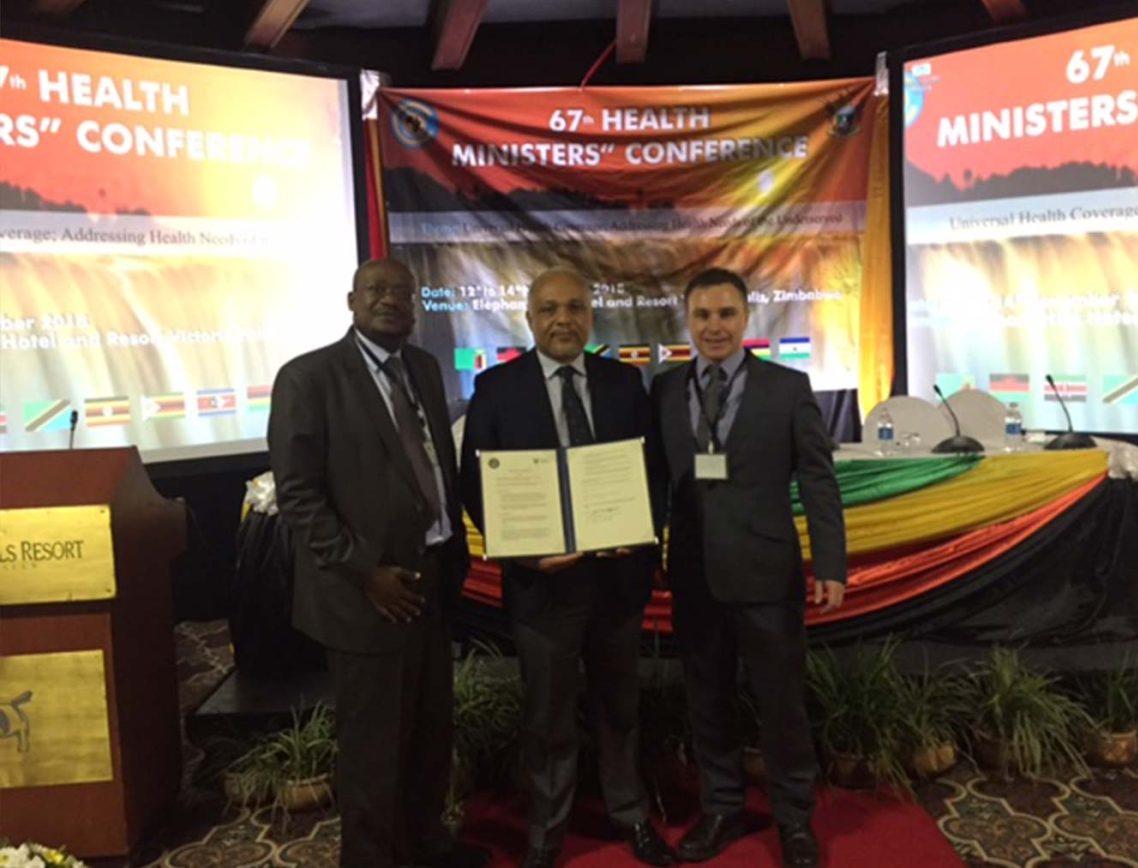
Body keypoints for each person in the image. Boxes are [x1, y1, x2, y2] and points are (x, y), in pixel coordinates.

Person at [269, 257, 489, 868]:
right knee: (372, 747)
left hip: (432, 578)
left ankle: (426, 845)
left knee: (428, 730)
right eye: (376, 289)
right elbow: (298, 496)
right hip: (365, 593)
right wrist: (364, 570)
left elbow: (434, 468)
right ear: (351, 300)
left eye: (402, 291)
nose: (390, 299)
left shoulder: (423, 367)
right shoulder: (308, 378)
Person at [460, 268, 676, 868]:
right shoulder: (496, 388)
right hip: (542, 586)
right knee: (547, 717)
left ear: (590, 316)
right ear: (529, 318)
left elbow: (654, 472)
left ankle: (631, 816)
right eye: (550, 308)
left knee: (620, 709)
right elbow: (474, 482)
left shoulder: (624, 382)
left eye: (576, 307)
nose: (563, 319)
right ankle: (545, 836)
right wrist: (518, 548)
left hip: (618, 582)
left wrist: (639, 530)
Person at [649, 267, 847, 868]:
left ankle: (795, 821)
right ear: (687, 320)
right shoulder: (663, 389)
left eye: (726, 314)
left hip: (767, 575)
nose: (715, 327)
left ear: (745, 318)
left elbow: (818, 479)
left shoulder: (787, 388)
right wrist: (642, 551)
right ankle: (722, 809)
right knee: (707, 702)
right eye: (703, 315)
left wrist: (831, 563)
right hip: (693, 575)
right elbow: (652, 482)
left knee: (781, 705)